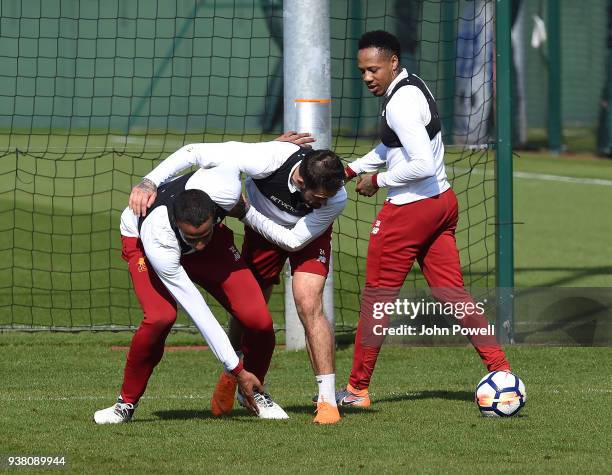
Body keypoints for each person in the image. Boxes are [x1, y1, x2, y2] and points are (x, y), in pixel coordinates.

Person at [337, 30, 511, 407]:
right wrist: (350, 171)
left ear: (393, 62)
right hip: (441, 203)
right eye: (362, 71)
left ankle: (356, 390)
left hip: (410, 211)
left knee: (377, 300)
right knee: (453, 294)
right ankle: (501, 369)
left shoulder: (399, 104)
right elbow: (391, 145)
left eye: (373, 69)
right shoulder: (411, 86)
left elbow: (420, 164)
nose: (367, 77)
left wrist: (377, 180)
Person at [129, 137, 347, 424]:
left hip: (300, 235)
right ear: (300, 179)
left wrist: (245, 212)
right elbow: (194, 152)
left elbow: (294, 241)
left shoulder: (336, 198)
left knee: (309, 302)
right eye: (319, 198)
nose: (324, 203)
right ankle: (235, 376)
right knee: (248, 313)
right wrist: (149, 182)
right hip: (261, 234)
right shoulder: (269, 158)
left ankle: (327, 402)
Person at [94, 146, 304, 423]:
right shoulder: (159, 238)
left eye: (204, 233)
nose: (201, 243)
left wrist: (278, 150)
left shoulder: (224, 189)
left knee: (259, 321)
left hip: (212, 246)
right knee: (160, 317)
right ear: (180, 225)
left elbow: (205, 152)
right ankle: (125, 404)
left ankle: (253, 391)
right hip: (146, 247)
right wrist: (236, 370)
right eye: (194, 238)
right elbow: (198, 311)